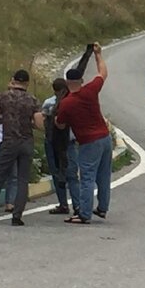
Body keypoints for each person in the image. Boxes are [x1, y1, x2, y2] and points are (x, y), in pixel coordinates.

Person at [0, 69, 43, 226]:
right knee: (22, 179)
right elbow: (39, 124)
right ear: (27, 83)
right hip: (26, 142)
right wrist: (28, 123)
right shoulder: (33, 100)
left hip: (9, 141)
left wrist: (5, 121)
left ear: (13, 80)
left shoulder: (2, 97)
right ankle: (17, 215)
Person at [56, 43, 111, 225]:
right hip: (105, 137)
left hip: (88, 141)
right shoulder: (90, 90)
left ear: (67, 82)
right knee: (103, 175)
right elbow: (103, 73)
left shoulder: (66, 103)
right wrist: (98, 55)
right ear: (81, 80)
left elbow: (61, 124)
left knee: (87, 177)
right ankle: (102, 207)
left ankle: (84, 214)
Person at [42, 78, 77, 216]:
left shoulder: (48, 103)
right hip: (68, 142)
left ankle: (64, 204)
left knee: (59, 174)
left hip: (54, 142)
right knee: (71, 175)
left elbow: (43, 121)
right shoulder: (72, 102)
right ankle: (76, 205)